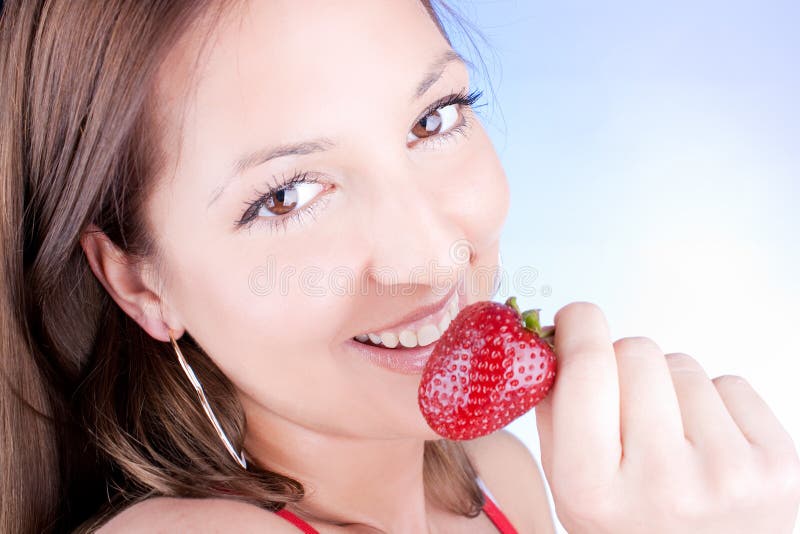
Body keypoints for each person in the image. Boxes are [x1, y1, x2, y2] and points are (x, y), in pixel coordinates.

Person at [0, 1, 797, 533]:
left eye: (434, 118)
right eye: (288, 195)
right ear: (140, 282)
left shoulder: (500, 478)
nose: (431, 256)